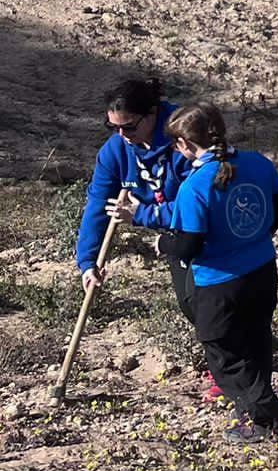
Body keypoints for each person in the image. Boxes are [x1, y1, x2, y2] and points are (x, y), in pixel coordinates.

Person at [115, 103, 278, 443]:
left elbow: (188, 246)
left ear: (183, 144)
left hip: (219, 282)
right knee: (255, 342)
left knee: (222, 351)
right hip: (262, 270)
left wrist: (163, 245)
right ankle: (255, 414)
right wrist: (255, 236)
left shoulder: (195, 186)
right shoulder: (256, 162)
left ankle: (268, 419)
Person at [77, 78, 199, 350]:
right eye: (113, 127)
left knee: (209, 300)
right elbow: (98, 205)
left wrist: (142, 214)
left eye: (129, 126)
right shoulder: (115, 151)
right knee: (190, 303)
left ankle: (237, 369)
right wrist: (88, 262)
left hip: (206, 228)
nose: (121, 134)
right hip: (174, 231)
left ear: (152, 113)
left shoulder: (185, 139)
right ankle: (229, 362)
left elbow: (198, 207)